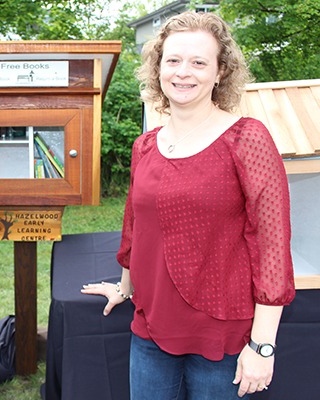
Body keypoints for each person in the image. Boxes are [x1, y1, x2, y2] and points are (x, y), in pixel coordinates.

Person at [82, 11, 295, 399]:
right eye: (173, 60)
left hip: (223, 336)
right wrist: (125, 287)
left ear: (220, 73)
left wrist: (263, 346)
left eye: (199, 62)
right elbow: (136, 227)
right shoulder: (145, 145)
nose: (184, 72)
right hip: (151, 328)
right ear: (158, 68)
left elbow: (272, 246)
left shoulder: (246, 139)